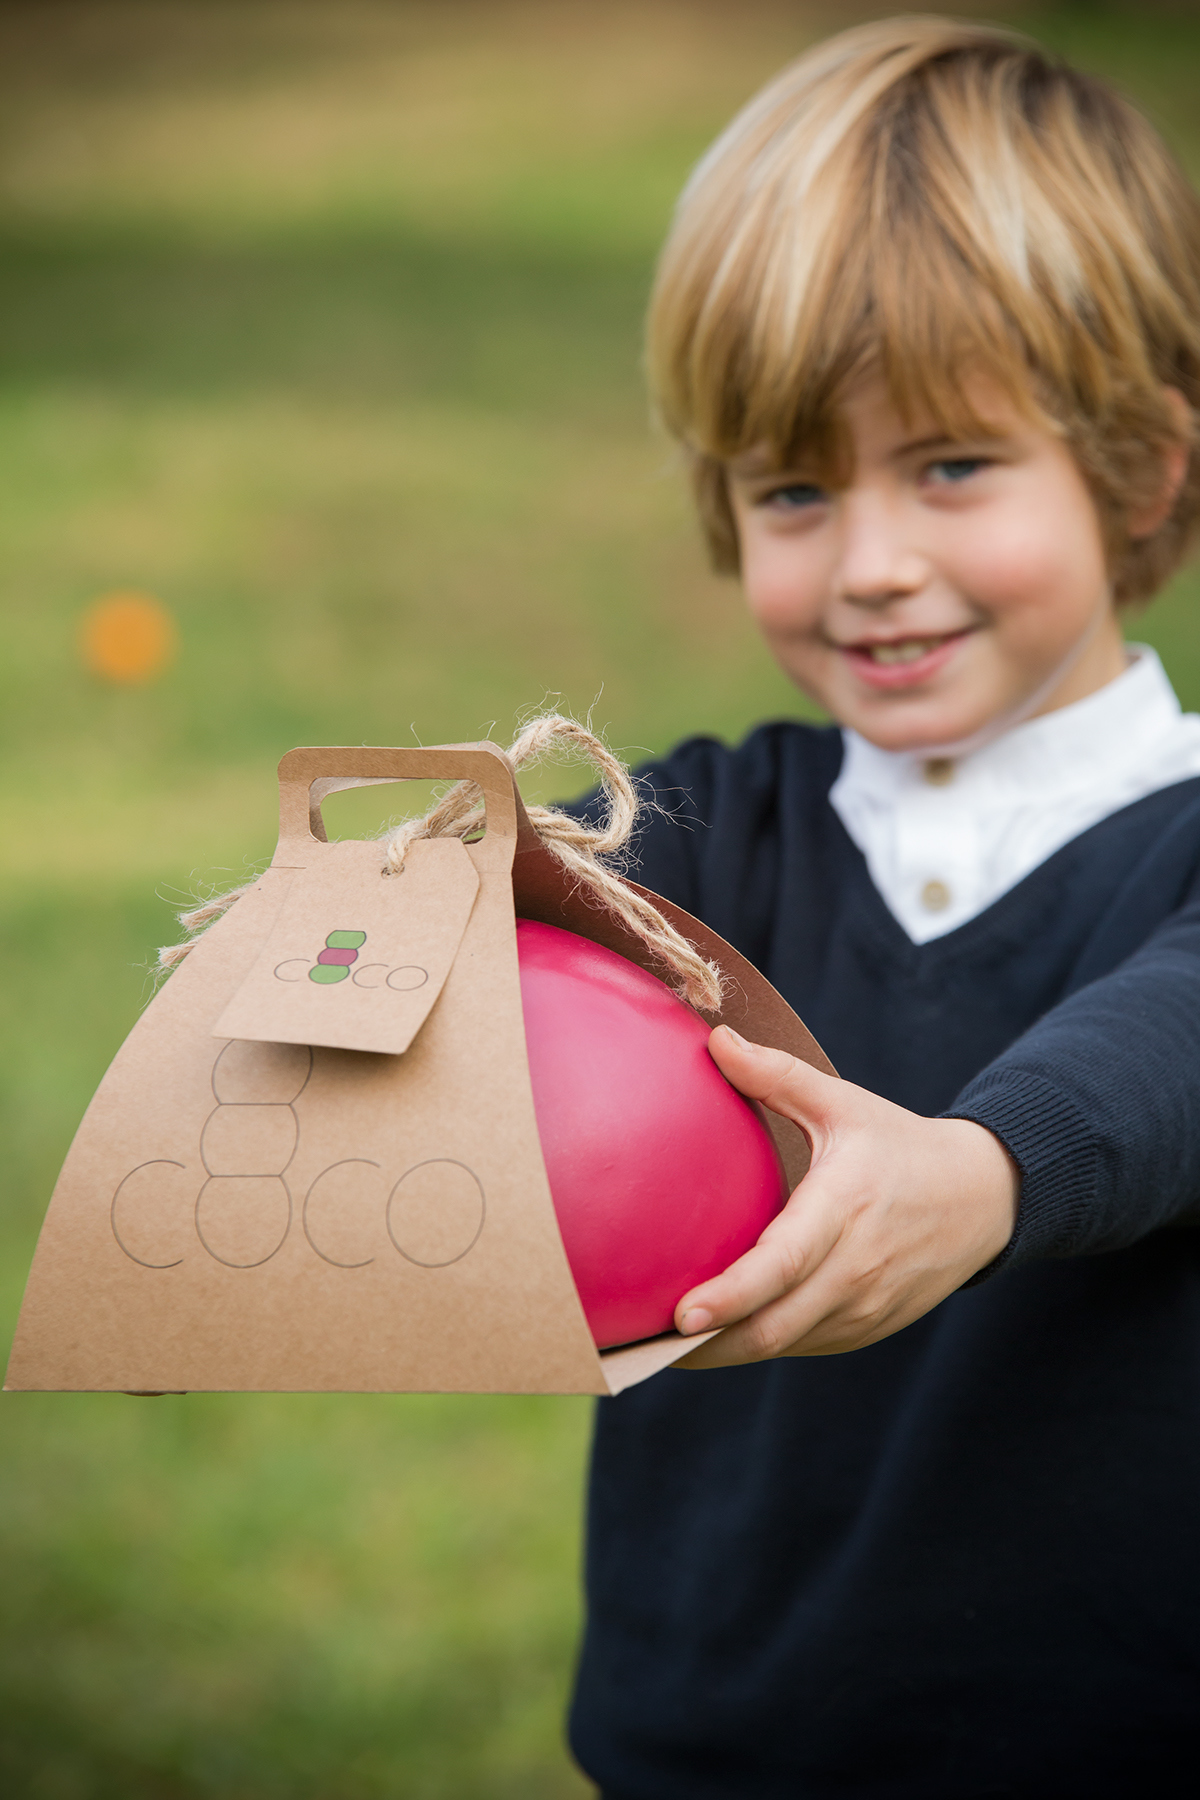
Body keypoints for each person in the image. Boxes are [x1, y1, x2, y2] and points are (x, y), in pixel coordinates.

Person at [565, 17, 1200, 1797]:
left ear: (1140, 467)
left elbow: (1176, 1041)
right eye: (793, 489)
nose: (870, 564)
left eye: (951, 466)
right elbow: (493, 958)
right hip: (700, 1740)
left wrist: (983, 1172)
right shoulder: (705, 827)